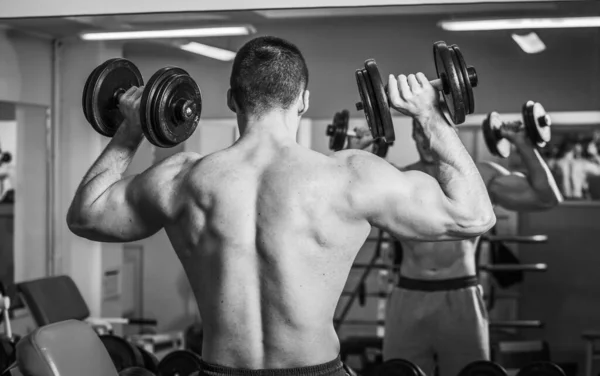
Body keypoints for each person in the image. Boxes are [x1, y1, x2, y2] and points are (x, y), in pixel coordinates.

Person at [66, 36, 495, 376]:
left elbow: (86, 216)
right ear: (304, 100)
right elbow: (475, 215)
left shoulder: (181, 178)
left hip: (220, 371)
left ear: (233, 99)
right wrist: (431, 116)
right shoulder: (349, 177)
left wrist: (131, 129)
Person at [348, 112, 563, 376]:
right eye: (420, 131)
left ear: (450, 133)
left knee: (472, 374)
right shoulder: (399, 179)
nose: (427, 140)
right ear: (413, 134)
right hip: (408, 295)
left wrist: (523, 143)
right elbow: (350, 193)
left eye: (432, 131)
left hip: (462, 297)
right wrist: (356, 153)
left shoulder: (480, 179)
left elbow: (545, 198)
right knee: (399, 373)